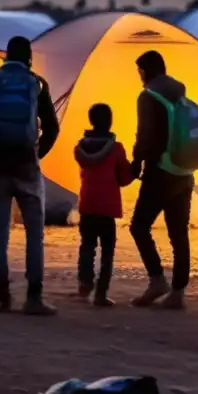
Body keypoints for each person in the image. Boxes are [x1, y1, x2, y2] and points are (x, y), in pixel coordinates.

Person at [0, 36, 60, 315]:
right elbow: (52, 128)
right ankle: (33, 298)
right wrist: (37, 153)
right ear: (29, 58)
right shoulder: (37, 84)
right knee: (33, 234)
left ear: (5, 56)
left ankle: (4, 297)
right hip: (27, 166)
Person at [129, 51, 194, 310]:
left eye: (139, 71)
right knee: (179, 233)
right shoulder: (180, 92)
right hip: (184, 171)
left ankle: (157, 280)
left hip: (160, 172)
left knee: (139, 226)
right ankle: (178, 292)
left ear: (146, 71)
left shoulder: (148, 96)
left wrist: (137, 162)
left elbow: (146, 136)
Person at [74, 103, 133, 307]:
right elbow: (124, 178)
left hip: (88, 205)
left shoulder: (80, 148)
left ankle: (84, 283)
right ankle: (101, 293)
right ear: (110, 122)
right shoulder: (116, 149)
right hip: (107, 209)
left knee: (87, 246)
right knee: (107, 252)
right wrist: (135, 168)